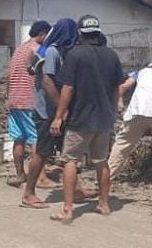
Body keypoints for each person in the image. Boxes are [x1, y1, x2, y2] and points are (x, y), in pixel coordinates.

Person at [50, 14, 123, 221]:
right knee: (101, 161)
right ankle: (104, 204)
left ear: (80, 33)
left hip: (81, 118)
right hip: (104, 119)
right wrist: (115, 108)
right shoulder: (111, 55)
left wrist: (59, 116)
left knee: (70, 160)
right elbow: (117, 87)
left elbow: (68, 87)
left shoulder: (75, 54)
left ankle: (67, 209)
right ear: (98, 32)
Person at [20, 18, 96, 209]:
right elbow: (47, 83)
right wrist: (61, 112)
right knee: (43, 152)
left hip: (58, 111)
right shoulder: (52, 52)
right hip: (47, 112)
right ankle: (28, 193)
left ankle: (76, 190)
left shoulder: (61, 52)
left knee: (70, 153)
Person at [108, 61, 152, 186]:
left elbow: (122, 87)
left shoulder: (141, 72)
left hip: (136, 112)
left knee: (121, 145)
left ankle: (107, 177)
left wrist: (119, 103)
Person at [6, 20, 54, 188]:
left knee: (18, 139)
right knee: (36, 139)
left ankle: (20, 175)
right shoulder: (38, 50)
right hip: (29, 100)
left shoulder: (19, 49)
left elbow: (9, 74)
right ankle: (41, 177)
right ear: (42, 34)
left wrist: (9, 97)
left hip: (14, 100)